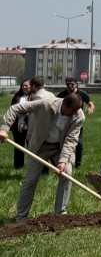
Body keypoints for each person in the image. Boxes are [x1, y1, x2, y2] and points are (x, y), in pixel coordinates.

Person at [0, 93, 84, 221]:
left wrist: (63, 161)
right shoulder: (46, 105)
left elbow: (71, 139)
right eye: (73, 110)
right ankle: (21, 218)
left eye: (77, 110)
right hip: (40, 147)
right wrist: (5, 128)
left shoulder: (79, 116)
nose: (75, 113)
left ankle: (60, 214)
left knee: (67, 173)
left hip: (60, 148)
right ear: (65, 105)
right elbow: (15, 109)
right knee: (31, 180)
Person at [57, 77, 95, 168]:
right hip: (64, 122)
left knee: (79, 143)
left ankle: (78, 164)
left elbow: (90, 103)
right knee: (62, 142)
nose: (70, 86)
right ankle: (62, 161)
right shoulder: (62, 95)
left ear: (76, 84)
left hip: (76, 122)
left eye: (72, 84)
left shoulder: (82, 94)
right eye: (68, 84)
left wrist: (91, 108)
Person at [10, 80, 30, 169]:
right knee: (18, 147)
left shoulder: (33, 97)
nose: (24, 87)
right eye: (23, 85)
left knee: (31, 148)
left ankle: (32, 167)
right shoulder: (17, 96)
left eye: (26, 85)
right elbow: (12, 109)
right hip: (17, 126)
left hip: (29, 127)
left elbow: (31, 111)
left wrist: (25, 120)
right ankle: (18, 166)